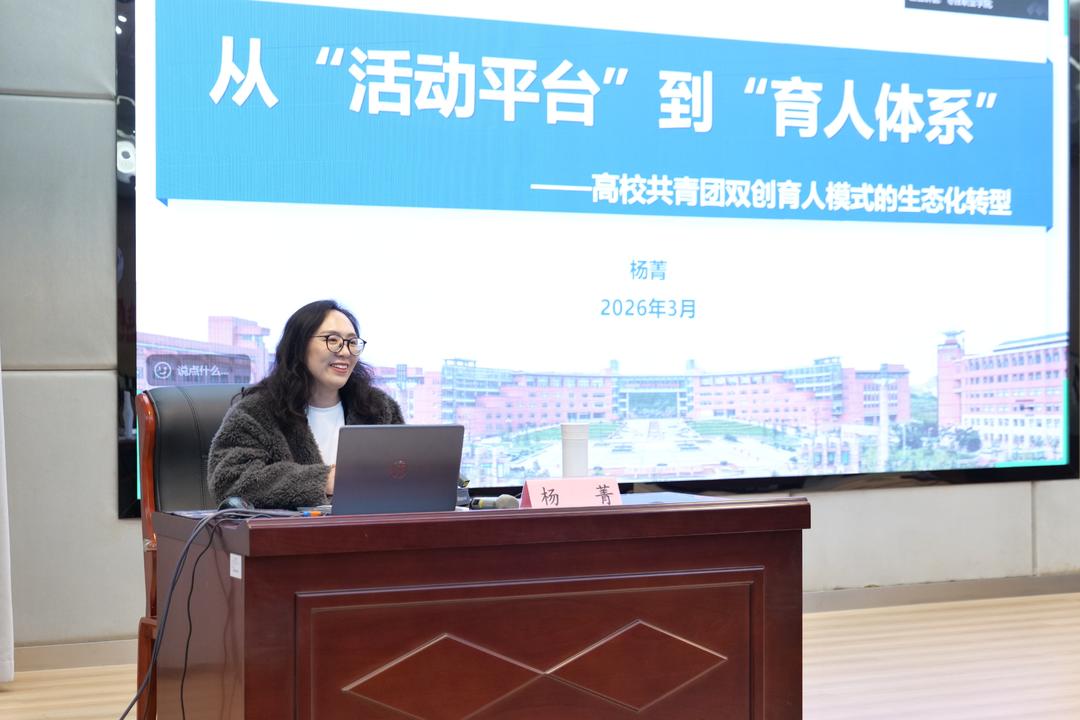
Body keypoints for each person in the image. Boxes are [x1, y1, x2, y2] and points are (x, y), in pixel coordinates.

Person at [208, 299, 403, 509]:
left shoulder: (378, 408)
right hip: (289, 530)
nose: (345, 352)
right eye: (333, 340)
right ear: (299, 346)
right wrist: (324, 480)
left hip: (370, 527)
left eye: (352, 342)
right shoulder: (256, 411)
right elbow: (229, 479)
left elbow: (405, 471)